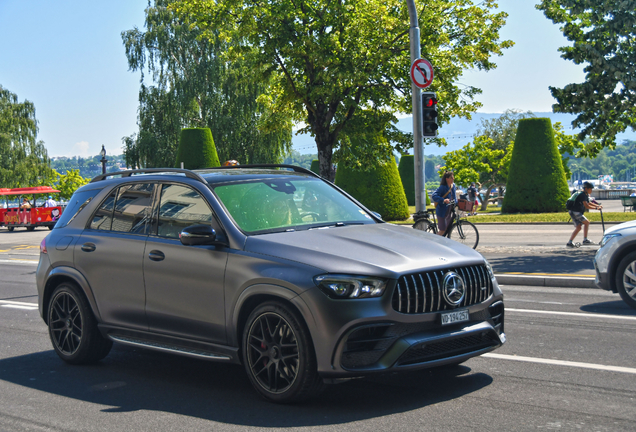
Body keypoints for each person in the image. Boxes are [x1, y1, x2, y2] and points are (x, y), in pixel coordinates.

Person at [567, 181, 602, 247]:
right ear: (586, 189)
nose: (591, 190)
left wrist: (597, 206)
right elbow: (587, 206)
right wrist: (596, 208)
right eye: (590, 189)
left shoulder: (584, 194)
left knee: (578, 227)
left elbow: (589, 203)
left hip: (573, 211)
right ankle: (585, 240)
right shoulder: (582, 195)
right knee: (587, 222)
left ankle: (570, 242)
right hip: (575, 212)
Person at [432, 171, 457, 236]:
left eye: (453, 177)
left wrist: (456, 203)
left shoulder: (453, 186)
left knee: (447, 228)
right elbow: (434, 195)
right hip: (442, 211)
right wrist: (443, 200)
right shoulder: (442, 187)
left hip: (449, 211)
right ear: (447, 179)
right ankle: (434, 242)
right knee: (442, 230)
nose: (453, 178)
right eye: (451, 177)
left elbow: (454, 197)